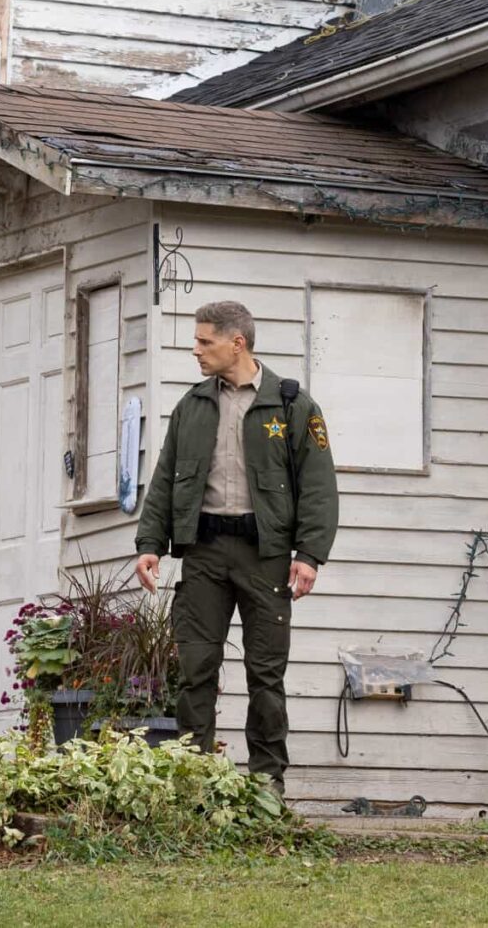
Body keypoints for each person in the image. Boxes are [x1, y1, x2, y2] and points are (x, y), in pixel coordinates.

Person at [134, 301, 337, 794]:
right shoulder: (193, 405)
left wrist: (309, 555)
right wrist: (150, 543)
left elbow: (318, 485)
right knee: (195, 667)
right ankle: (193, 782)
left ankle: (268, 781)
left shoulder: (292, 406)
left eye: (205, 341)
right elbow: (165, 479)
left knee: (265, 673)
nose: (196, 350)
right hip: (203, 553)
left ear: (237, 343)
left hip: (264, 556)